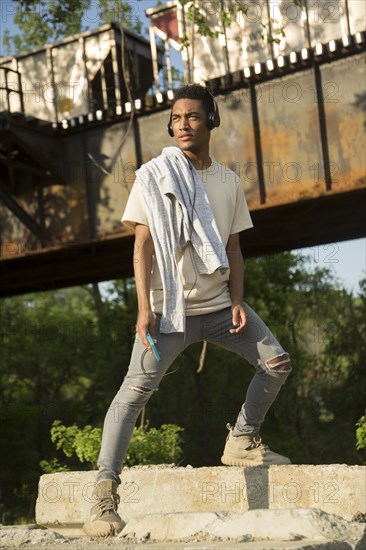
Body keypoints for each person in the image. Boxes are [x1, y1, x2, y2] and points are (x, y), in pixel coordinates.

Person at [83, 84, 292, 537]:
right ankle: (103, 497)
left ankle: (241, 439)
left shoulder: (229, 181)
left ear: (211, 121)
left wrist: (237, 300)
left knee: (276, 363)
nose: (183, 125)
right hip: (168, 312)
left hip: (219, 306)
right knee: (133, 394)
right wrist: (144, 308)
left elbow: (234, 249)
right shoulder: (154, 175)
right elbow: (142, 248)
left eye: (193, 117)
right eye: (176, 118)